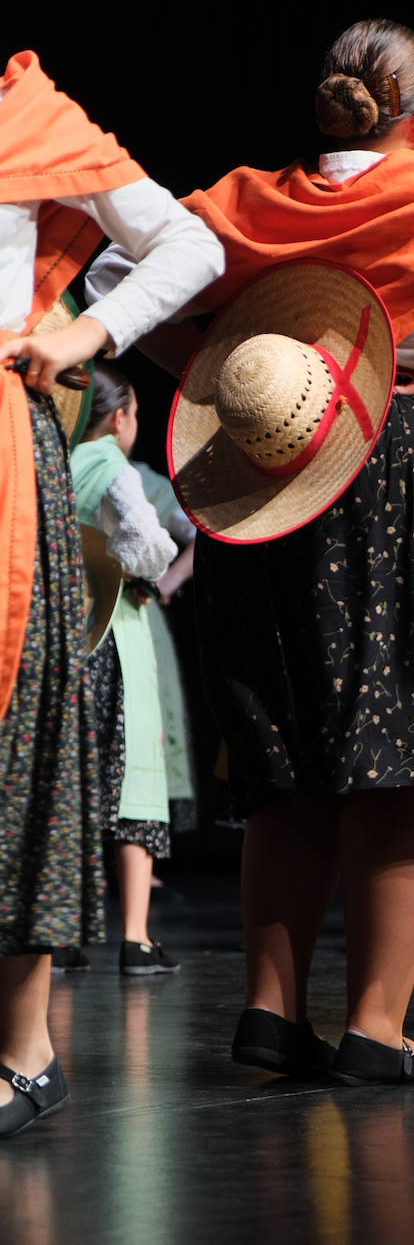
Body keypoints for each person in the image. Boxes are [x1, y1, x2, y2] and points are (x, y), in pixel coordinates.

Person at [89, 18, 414, 1084]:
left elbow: (110, 278)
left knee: (287, 757)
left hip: (268, 475)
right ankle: (377, 1022)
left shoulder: (244, 199)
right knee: (401, 750)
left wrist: (211, 367)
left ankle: (268, 1014)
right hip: (404, 463)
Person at [0, 50, 223, 1136]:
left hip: (2, 443)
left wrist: (85, 334)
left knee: (14, 736)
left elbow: (189, 242)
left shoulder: (28, 114)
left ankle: (25, 1042)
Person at [70, 362, 182, 976]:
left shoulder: (55, 463)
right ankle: (136, 938)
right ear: (120, 418)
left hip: (69, 631)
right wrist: (147, 568)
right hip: (114, 629)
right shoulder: (112, 465)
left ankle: (58, 932)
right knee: (132, 775)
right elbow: (146, 539)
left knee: (75, 779)